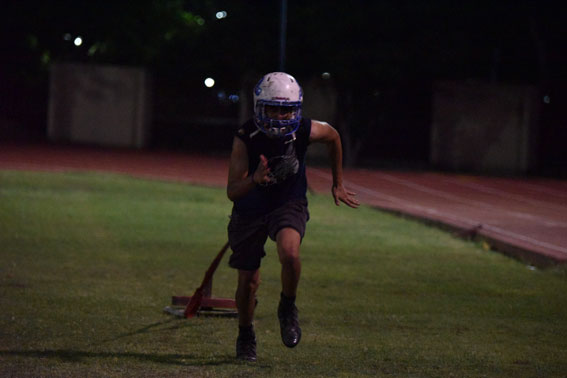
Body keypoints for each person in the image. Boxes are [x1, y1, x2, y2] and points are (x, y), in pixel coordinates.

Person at [226, 72, 359, 362]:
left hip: (288, 203)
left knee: (290, 254)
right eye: (273, 108)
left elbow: (333, 136)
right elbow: (233, 191)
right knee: (248, 282)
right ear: (260, 106)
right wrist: (254, 180)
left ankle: (287, 306)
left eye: (286, 109)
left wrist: (338, 182)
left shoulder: (305, 129)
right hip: (250, 209)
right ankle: (246, 335)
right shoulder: (245, 137)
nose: (280, 115)